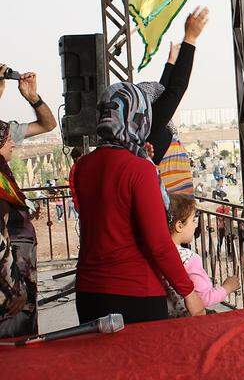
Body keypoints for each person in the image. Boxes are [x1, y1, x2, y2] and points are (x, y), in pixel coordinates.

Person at [73, 82, 205, 324]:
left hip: (89, 293)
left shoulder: (82, 166)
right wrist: (188, 291)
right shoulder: (139, 169)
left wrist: (142, 157)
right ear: (139, 118)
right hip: (134, 293)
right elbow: (158, 243)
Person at [0, 65, 57, 338]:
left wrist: (32, 98)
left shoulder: (4, 133)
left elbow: (48, 124)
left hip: (19, 263)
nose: (11, 143)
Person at [143, 6, 209, 196]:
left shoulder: (141, 129)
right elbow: (174, 90)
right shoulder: (152, 126)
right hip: (172, 209)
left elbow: (164, 93)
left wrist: (171, 63)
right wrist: (190, 39)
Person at [165, 194, 239, 317]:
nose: (195, 225)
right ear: (179, 226)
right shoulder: (190, 259)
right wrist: (227, 288)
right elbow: (203, 299)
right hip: (187, 321)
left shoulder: (156, 254)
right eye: (193, 220)